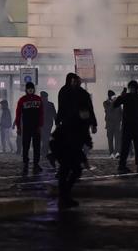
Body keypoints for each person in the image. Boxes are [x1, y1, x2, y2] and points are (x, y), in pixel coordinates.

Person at [53, 73, 88, 209]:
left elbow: (86, 111)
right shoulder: (66, 92)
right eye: (73, 81)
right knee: (68, 167)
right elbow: (62, 108)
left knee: (71, 168)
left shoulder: (79, 94)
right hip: (67, 134)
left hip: (73, 133)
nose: (75, 83)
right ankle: (64, 195)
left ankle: (65, 194)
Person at [113, 80, 138, 174]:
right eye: (131, 88)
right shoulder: (137, 97)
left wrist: (122, 96)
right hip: (134, 126)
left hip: (130, 126)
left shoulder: (129, 97)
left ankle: (126, 166)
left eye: (132, 88)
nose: (131, 89)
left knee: (130, 147)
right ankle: (137, 166)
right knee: (133, 147)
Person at [15, 82, 44, 175]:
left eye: (32, 88)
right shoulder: (22, 100)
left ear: (34, 89)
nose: (30, 90)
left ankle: (36, 163)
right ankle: (25, 162)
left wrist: (40, 125)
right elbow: (18, 114)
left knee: (37, 146)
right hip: (26, 127)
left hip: (36, 126)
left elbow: (41, 114)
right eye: (29, 88)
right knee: (26, 146)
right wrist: (18, 127)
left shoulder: (38, 99)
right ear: (26, 90)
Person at [103, 90, 122, 159]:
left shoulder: (118, 103)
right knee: (110, 139)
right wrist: (113, 102)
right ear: (110, 97)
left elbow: (121, 112)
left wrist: (121, 121)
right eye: (113, 96)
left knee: (117, 139)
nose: (114, 97)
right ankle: (111, 153)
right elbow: (108, 110)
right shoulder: (105, 103)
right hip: (109, 124)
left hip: (117, 124)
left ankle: (117, 152)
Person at [40, 91, 57, 160]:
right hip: (43, 124)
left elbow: (54, 114)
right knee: (44, 138)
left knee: (45, 138)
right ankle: (45, 150)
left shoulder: (48, 104)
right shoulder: (49, 104)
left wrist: (56, 122)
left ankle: (44, 151)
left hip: (47, 124)